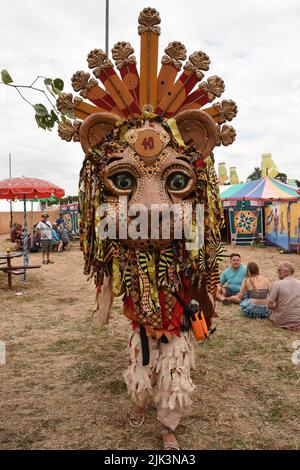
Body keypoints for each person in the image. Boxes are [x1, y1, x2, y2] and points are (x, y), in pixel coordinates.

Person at [268, 262, 300, 331]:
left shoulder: (277, 284)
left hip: (280, 321)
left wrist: (275, 310)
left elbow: (269, 305)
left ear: (286, 272)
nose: (277, 272)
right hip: (298, 321)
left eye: (279, 270)